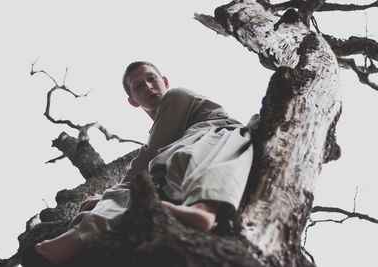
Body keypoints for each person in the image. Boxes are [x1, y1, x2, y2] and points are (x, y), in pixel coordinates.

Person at [35, 61, 253, 264]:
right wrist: (114, 194)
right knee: (135, 190)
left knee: (185, 160)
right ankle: (78, 234)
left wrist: (110, 192)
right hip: (173, 165)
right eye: (138, 86)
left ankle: (203, 208)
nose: (148, 87)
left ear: (165, 81)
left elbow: (150, 153)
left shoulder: (177, 96)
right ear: (132, 100)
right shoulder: (165, 142)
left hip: (214, 138)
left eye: (152, 79)